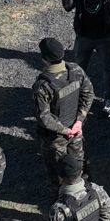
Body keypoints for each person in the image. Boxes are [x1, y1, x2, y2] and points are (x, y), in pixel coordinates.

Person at [30, 36, 90, 186]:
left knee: (57, 173)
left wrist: (65, 130)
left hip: (55, 138)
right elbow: (88, 94)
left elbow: (43, 117)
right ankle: (83, 192)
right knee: (77, 166)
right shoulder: (75, 70)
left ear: (44, 58)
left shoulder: (43, 86)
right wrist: (79, 121)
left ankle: (60, 197)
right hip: (76, 131)